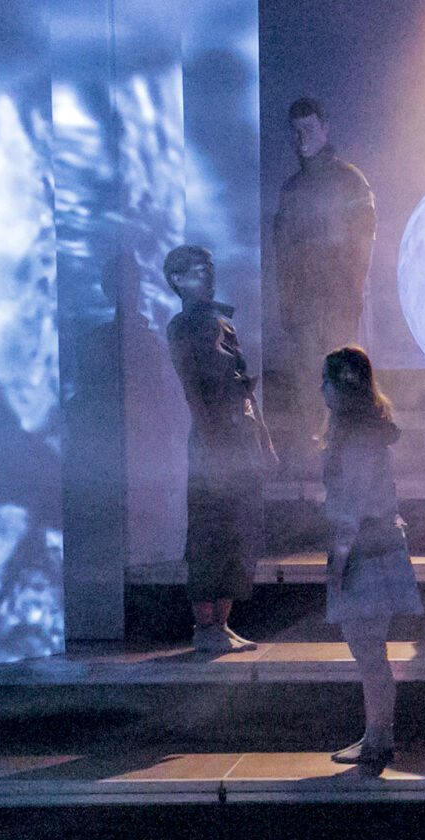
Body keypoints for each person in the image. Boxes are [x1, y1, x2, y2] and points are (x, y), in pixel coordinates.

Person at [164, 244, 277, 654]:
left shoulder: (221, 322)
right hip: (216, 440)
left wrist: (263, 440)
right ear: (177, 279)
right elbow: (194, 389)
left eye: (209, 268)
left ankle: (222, 625)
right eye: (197, 270)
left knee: (240, 530)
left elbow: (244, 385)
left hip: (239, 436)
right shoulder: (183, 327)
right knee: (210, 532)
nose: (208, 276)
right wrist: (213, 447)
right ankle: (205, 627)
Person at [319, 347, 422, 766]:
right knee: (371, 653)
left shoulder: (355, 438)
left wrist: (340, 562)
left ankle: (378, 738)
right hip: (380, 547)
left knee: (369, 655)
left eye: (324, 380)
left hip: (364, 553)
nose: (319, 390)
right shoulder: (370, 431)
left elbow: (353, 504)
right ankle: (376, 735)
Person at [271, 97, 377, 459]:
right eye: (296, 131)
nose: (302, 138)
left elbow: (364, 240)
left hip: (337, 302)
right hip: (303, 307)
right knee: (307, 385)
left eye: (309, 129)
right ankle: (317, 459)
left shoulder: (350, 181)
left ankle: (349, 455)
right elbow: (282, 252)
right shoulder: (292, 189)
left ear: (325, 129)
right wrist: (286, 300)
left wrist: (353, 290)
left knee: (343, 380)